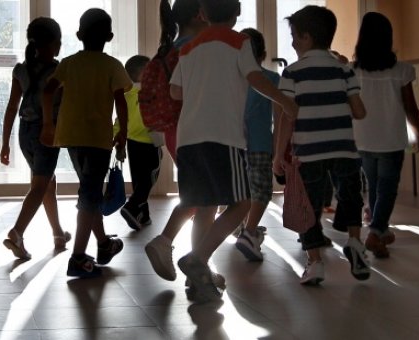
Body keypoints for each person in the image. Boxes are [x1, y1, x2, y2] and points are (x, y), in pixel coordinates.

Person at [171, 0, 297, 302]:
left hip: (188, 138)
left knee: (204, 206)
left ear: (202, 13)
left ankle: (198, 279)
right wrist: (284, 101)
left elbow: (175, 91)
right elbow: (255, 78)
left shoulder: (188, 48)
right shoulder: (239, 41)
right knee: (242, 203)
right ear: (237, 12)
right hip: (221, 137)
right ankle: (197, 258)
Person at [273, 5, 369, 285]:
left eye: (293, 35)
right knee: (351, 197)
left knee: (308, 208)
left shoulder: (293, 73)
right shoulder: (343, 70)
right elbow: (360, 112)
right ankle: (354, 243)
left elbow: (286, 119)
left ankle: (315, 263)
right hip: (344, 149)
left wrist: (279, 155)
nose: (291, 41)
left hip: (308, 152)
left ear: (306, 37)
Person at [40, 8, 132, 278]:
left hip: (71, 137)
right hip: (97, 138)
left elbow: (47, 91)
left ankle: (103, 245)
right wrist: (123, 133)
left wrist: (48, 123)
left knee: (89, 192)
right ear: (110, 36)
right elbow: (121, 102)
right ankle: (78, 257)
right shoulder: (112, 65)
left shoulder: (68, 63)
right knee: (89, 195)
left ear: (78, 35)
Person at [144, 0, 209, 282]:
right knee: (204, 196)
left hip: (175, 130)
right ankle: (169, 243)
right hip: (197, 129)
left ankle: (199, 263)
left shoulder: (171, 48)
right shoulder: (197, 49)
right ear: (200, 14)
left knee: (202, 196)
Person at [0, 17, 70, 260]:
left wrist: (5, 143)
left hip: (24, 132)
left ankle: (58, 233)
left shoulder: (20, 69)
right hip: (46, 133)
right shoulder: (59, 70)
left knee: (47, 182)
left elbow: (11, 108)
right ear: (54, 44)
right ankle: (17, 233)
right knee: (40, 186)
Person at [352, 12, 419, 258]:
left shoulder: (354, 71)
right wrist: (417, 131)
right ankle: (375, 232)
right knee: (388, 189)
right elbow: (411, 106)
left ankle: (381, 233)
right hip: (391, 139)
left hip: (362, 137)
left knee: (374, 186)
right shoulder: (402, 70)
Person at [233, 28, 280, 262]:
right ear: (262, 55)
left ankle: (243, 227)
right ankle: (249, 232)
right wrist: (278, 145)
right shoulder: (271, 79)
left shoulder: (231, 80)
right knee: (261, 190)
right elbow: (279, 117)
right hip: (261, 142)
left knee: (240, 190)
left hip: (234, 143)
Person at [116, 55, 163, 230]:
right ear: (144, 74)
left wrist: (117, 138)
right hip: (150, 141)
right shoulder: (152, 93)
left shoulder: (126, 95)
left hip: (131, 142)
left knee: (139, 180)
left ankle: (143, 216)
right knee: (149, 179)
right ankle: (131, 207)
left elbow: (120, 120)